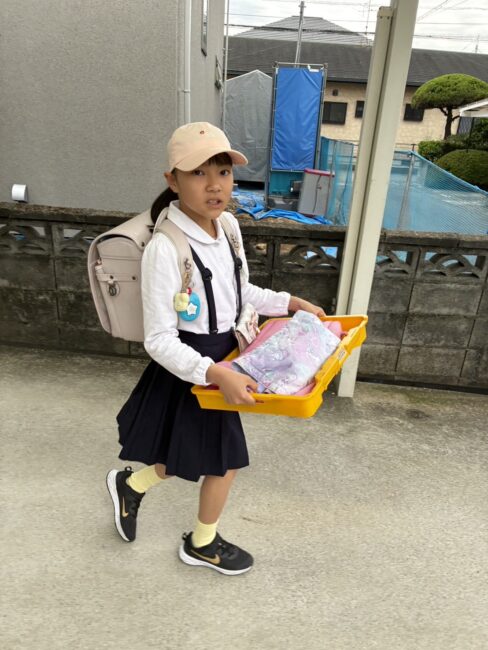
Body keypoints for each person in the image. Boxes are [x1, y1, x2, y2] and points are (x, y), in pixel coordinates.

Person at [106, 122, 325, 576]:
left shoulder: (227, 226)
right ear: (172, 181)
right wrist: (215, 373)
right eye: (198, 173)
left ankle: (133, 485)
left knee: (190, 452)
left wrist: (290, 303)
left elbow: (240, 291)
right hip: (192, 365)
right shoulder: (165, 248)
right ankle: (201, 543)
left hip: (224, 357)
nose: (214, 186)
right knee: (224, 461)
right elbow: (159, 339)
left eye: (223, 172)